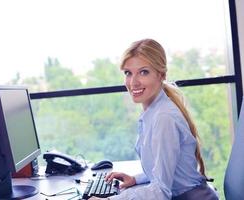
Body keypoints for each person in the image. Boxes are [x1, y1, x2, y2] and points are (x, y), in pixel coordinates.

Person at [89, 39, 219, 200]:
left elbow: (161, 192)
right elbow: (164, 172)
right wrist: (135, 179)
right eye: (128, 73)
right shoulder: (153, 111)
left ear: (161, 74)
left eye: (143, 72)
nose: (133, 82)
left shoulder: (164, 118)